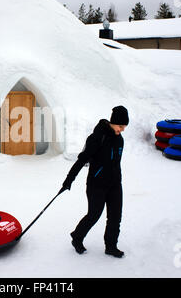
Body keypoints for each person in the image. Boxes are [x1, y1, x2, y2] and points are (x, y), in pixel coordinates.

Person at [61, 106, 129, 258]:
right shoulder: (97, 138)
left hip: (115, 184)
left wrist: (116, 178)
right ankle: (77, 237)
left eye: (124, 126)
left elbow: (115, 163)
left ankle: (111, 246)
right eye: (120, 126)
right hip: (96, 184)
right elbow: (82, 160)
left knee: (115, 217)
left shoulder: (120, 140)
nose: (122, 129)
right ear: (113, 122)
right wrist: (69, 180)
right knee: (94, 214)